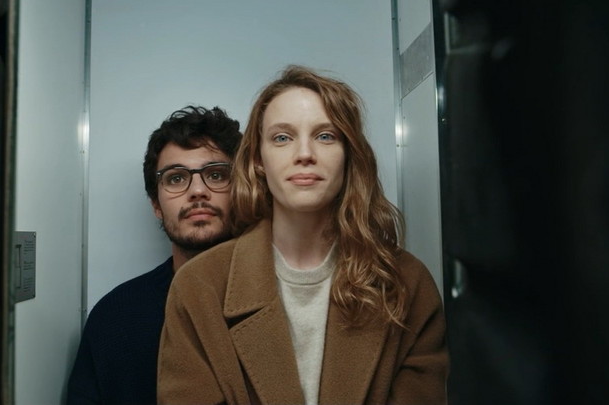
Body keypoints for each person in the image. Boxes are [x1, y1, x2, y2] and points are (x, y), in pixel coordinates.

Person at [157, 66, 449, 404]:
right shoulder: (198, 287)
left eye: (326, 136)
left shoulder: (407, 283)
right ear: (258, 159)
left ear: (349, 155)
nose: (305, 154)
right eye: (282, 138)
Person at [66, 105, 243, 405]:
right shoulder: (114, 318)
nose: (197, 191)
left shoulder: (280, 301)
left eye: (216, 175)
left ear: (244, 191)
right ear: (156, 205)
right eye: (176, 178)